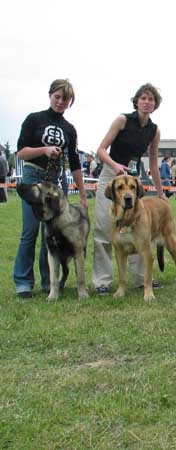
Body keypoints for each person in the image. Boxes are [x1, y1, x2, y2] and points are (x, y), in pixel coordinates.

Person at [13, 79, 86, 298]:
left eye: (66, 99)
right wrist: (44, 150)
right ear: (50, 95)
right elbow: (21, 152)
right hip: (34, 176)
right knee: (30, 231)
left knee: (52, 233)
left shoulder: (70, 129)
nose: (61, 102)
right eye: (58, 97)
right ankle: (23, 281)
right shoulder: (34, 119)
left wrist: (82, 193)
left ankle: (49, 282)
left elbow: (74, 163)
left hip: (56, 182)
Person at [92, 83, 166, 295]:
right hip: (111, 174)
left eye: (151, 99)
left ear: (155, 105)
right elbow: (100, 149)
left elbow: (153, 164)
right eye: (143, 98)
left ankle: (142, 279)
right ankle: (102, 281)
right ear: (136, 101)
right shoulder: (122, 120)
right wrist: (114, 166)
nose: (146, 102)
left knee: (138, 229)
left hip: (131, 180)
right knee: (103, 228)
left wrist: (160, 193)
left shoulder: (154, 130)